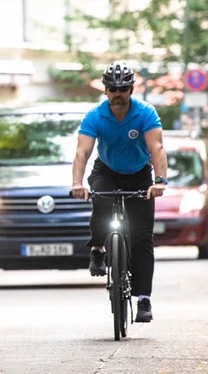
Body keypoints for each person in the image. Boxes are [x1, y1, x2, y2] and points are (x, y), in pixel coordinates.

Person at [70, 60, 167, 323]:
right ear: (105, 90)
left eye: (123, 89)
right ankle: (98, 248)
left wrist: (159, 181)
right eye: (112, 89)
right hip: (107, 171)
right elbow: (83, 151)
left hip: (138, 174)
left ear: (131, 89)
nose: (118, 94)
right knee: (100, 200)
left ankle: (143, 299)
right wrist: (77, 183)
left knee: (142, 237)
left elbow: (156, 148)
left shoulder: (145, 113)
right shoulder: (95, 116)